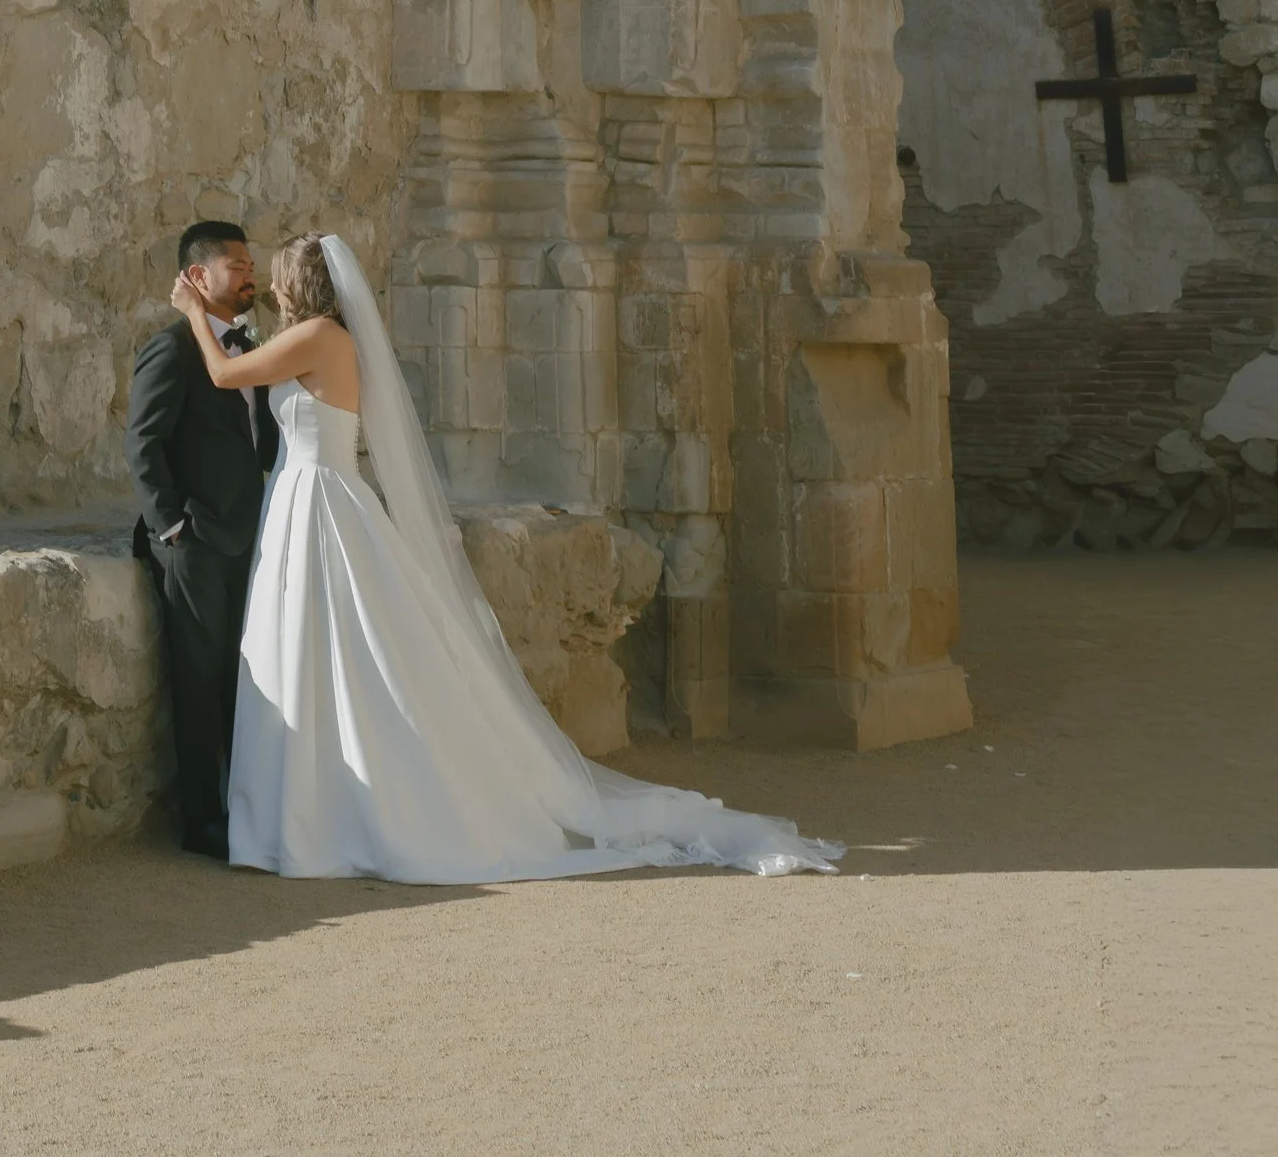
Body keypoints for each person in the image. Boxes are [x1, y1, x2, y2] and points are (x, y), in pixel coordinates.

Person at [167, 229, 839, 884]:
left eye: (277, 273)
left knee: (334, 657)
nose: (269, 283)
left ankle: (321, 818)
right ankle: (302, 813)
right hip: (309, 502)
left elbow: (226, 373)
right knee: (317, 657)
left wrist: (194, 312)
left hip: (319, 504)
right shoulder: (319, 339)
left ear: (298, 284)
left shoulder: (316, 338)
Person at [127, 218, 274, 859]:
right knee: (196, 680)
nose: (250, 275)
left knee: (243, 679)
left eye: (250, 266)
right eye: (236, 266)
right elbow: (143, 443)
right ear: (197, 276)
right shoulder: (171, 349)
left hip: (249, 538)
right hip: (192, 543)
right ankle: (201, 823)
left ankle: (249, 808)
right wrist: (172, 527)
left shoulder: (251, 346)